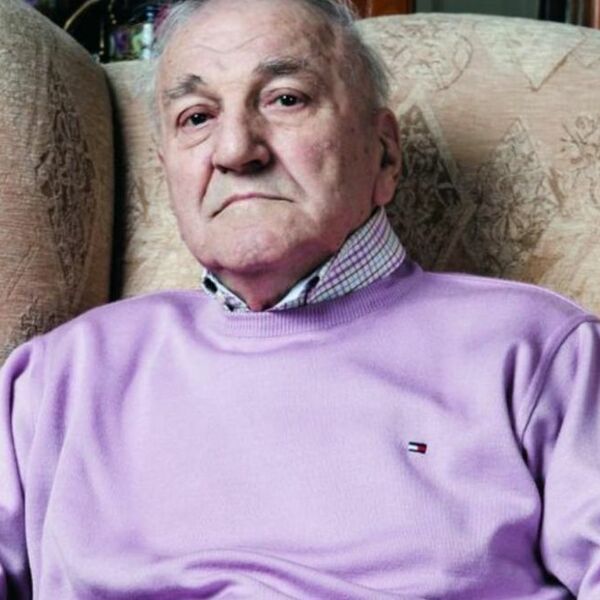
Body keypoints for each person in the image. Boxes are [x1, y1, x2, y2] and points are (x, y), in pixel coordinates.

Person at [1, 0, 599, 598]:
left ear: (384, 153)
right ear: (168, 175)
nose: (235, 150)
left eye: (285, 99)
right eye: (197, 117)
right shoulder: (58, 375)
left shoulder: (541, 351)